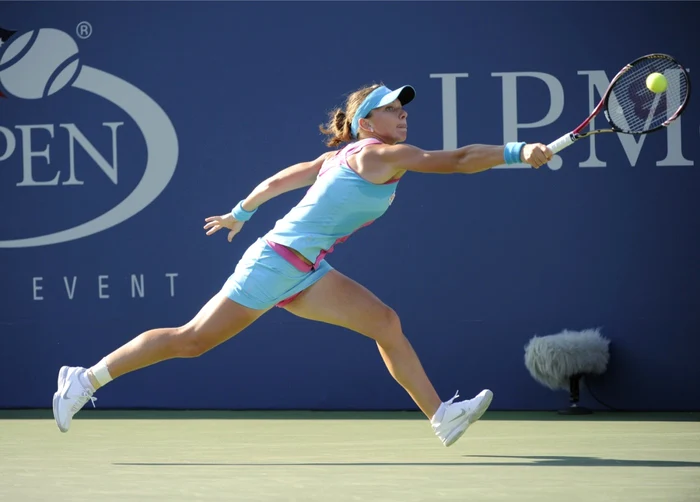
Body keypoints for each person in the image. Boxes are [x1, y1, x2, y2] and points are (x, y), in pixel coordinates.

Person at [53, 83, 553, 447]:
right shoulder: (377, 157)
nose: (402, 116)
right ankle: (86, 379)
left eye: (403, 110)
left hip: (307, 269)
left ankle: (441, 416)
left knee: (384, 323)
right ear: (366, 124)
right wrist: (518, 150)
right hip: (275, 263)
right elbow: (462, 158)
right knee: (192, 341)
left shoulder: (341, 157)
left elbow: (278, 181)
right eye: (391, 110)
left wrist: (241, 211)